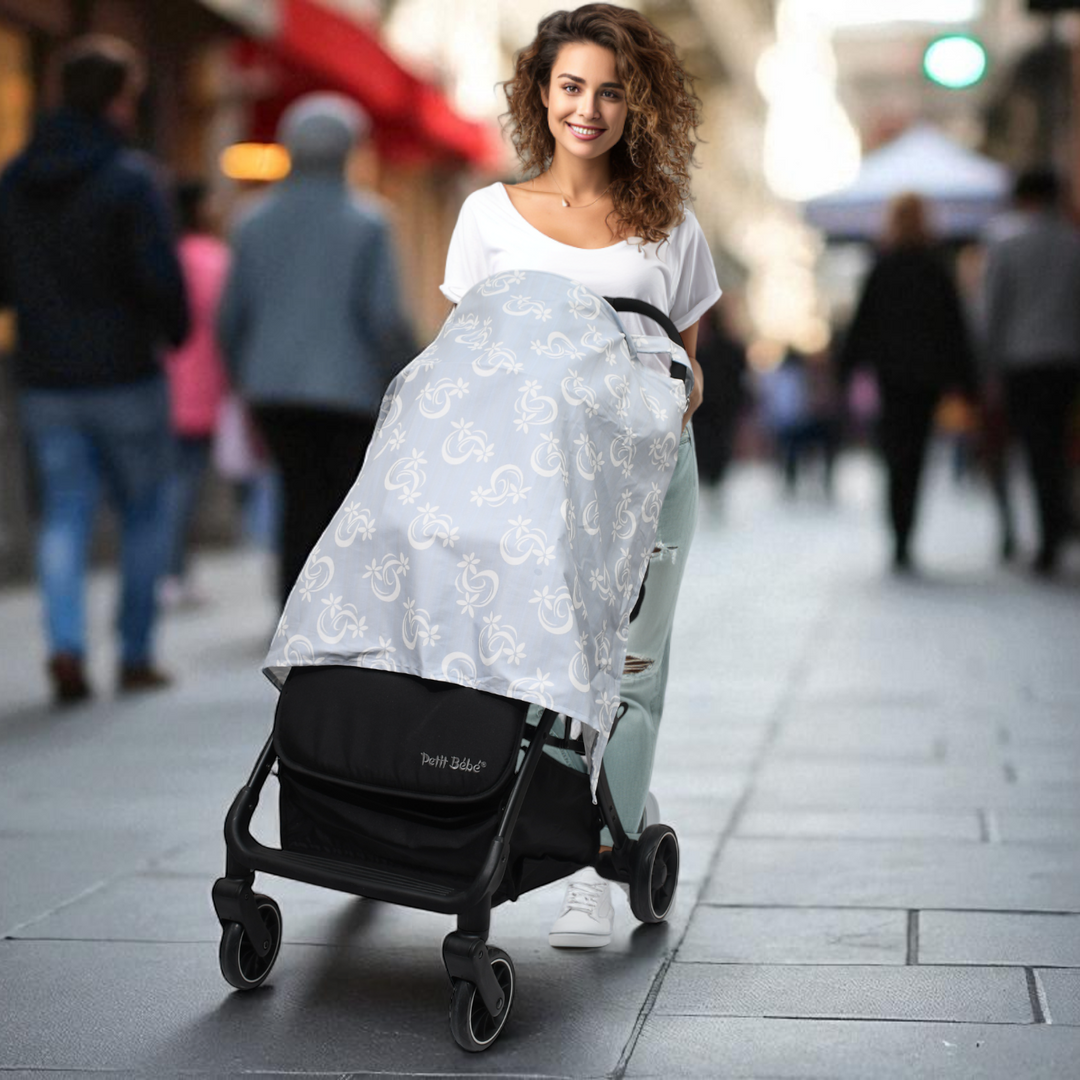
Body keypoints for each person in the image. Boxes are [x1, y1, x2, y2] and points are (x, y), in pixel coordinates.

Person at [441, 3, 720, 948]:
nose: (588, 109)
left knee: (631, 670)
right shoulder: (488, 215)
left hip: (646, 479)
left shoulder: (670, 224)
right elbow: (462, 358)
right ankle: (508, 821)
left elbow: (690, 372)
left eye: (609, 90)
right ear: (541, 93)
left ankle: (596, 863)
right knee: (535, 665)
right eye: (570, 87)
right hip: (524, 477)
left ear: (637, 103)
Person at [0, 35, 189, 704]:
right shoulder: (132, 179)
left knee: (63, 516)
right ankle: (134, 654)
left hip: (46, 377)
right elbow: (157, 276)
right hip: (126, 375)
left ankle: (65, 646)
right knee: (146, 510)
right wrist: (174, 330)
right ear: (118, 100)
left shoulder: (17, 178)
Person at [218, 93, 412, 610]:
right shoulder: (369, 221)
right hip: (348, 389)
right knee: (343, 501)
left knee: (294, 495)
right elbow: (385, 317)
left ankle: (291, 607)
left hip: (272, 388)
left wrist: (241, 378)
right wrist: (407, 376)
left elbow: (231, 315)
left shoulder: (251, 221)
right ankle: (336, 609)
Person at [838, 192, 977, 573]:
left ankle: (898, 532)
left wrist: (846, 370)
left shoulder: (883, 267)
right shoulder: (937, 268)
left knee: (895, 453)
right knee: (916, 454)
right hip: (927, 379)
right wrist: (966, 380)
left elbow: (862, 325)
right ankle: (906, 532)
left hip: (892, 377)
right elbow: (954, 328)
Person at [982, 169, 1080, 576]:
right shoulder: (1073, 244)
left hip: (1022, 362)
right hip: (1067, 360)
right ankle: (1056, 526)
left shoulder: (1006, 245)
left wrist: (989, 369)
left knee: (1036, 448)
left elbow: (993, 312)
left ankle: (1049, 536)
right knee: (1060, 445)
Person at [160, 180, 231, 607]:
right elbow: (229, 323)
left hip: (158, 383)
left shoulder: (165, 257)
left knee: (168, 487)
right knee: (185, 487)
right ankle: (173, 572)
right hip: (203, 385)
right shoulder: (215, 260)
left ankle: (171, 571)